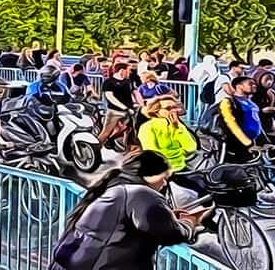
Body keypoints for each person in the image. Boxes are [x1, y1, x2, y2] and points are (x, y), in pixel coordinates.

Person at [50, 151, 208, 270]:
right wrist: (190, 222)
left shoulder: (115, 187)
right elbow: (170, 233)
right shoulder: (141, 194)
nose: (165, 183)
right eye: (164, 177)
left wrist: (167, 216)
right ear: (148, 175)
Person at [218, 76, 268, 163]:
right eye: (250, 84)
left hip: (253, 144)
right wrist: (248, 144)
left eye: (254, 84)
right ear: (239, 86)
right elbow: (231, 125)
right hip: (237, 146)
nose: (254, 86)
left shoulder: (251, 103)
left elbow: (258, 124)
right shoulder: (227, 102)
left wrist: (264, 142)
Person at [97, 63, 136, 148]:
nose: (130, 73)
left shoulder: (128, 82)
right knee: (106, 132)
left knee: (127, 129)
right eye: (128, 70)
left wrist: (142, 104)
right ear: (122, 70)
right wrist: (124, 107)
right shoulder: (108, 82)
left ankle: (122, 146)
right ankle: (96, 148)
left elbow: (135, 93)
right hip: (114, 111)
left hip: (129, 111)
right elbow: (110, 97)